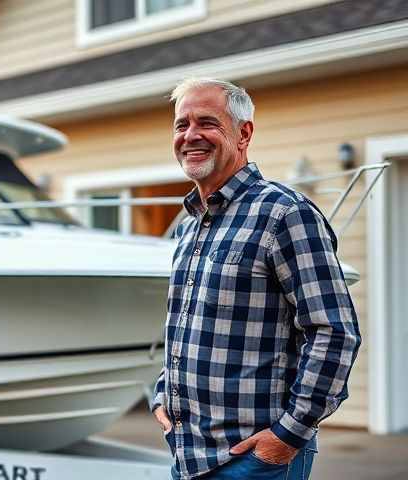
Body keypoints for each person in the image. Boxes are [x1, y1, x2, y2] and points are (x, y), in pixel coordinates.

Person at [150, 78, 361, 480]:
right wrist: (164, 393)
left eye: (207, 122)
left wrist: (288, 434)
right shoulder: (189, 228)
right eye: (181, 125)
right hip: (188, 455)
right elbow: (185, 326)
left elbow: (334, 332)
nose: (190, 135)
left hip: (252, 461)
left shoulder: (285, 214)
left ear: (243, 133)